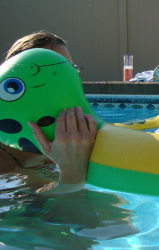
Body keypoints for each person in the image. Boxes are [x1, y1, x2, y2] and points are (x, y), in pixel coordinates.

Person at [0, 31, 97, 194]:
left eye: (69, 70)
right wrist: (71, 178)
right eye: (51, 74)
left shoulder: (77, 135)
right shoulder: (4, 161)